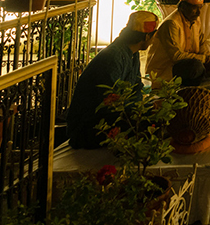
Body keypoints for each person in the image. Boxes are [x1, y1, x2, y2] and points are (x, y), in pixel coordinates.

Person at [66, 10, 157, 149]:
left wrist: (147, 108)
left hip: (113, 116)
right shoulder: (113, 57)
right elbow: (111, 103)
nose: (153, 41)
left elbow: (136, 88)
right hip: (89, 127)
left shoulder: (133, 54)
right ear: (146, 37)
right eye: (153, 36)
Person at [145, 0, 210, 84]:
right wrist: (206, 59)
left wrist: (208, 57)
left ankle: (200, 74)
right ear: (183, 7)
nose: (198, 13)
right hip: (168, 68)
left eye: (200, 8)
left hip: (190, 61)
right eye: (194, 8)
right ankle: (198, 75)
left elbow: (201, 43)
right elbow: (177, 56)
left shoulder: (195, 19)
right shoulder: (171, 23)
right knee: (196, 66)